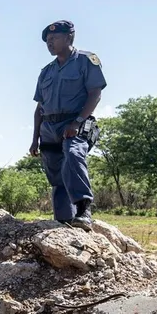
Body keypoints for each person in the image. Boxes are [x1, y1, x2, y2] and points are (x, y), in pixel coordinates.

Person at [30, 20, 105, 231]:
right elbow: (39, 108)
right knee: (56, 175)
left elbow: (95, 94)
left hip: (76, 122)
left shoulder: (86, 61)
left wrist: (78, 121)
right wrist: (35, 137)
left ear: (69, 37)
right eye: (47, 40)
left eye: (54, 38)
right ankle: (63, 221)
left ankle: (83, 210)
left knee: (73, 154)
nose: (49, 43)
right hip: (49, 129)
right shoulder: (46, 72)